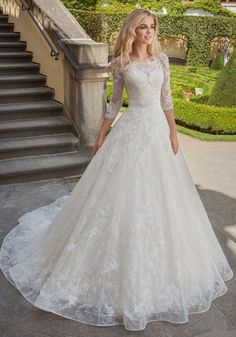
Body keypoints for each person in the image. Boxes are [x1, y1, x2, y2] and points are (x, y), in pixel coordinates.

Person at [0, 9, 234, 332]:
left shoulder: (162, 61)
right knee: (121, 198)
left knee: (166, 201)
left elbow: (167, 100)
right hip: (131, 131)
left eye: (152, 27)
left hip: (156, 133)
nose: (149, 31)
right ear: (132, 31)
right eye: (143, 27)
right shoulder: (121, 63)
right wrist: (100, 133)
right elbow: (114, 103)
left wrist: (174, 132)